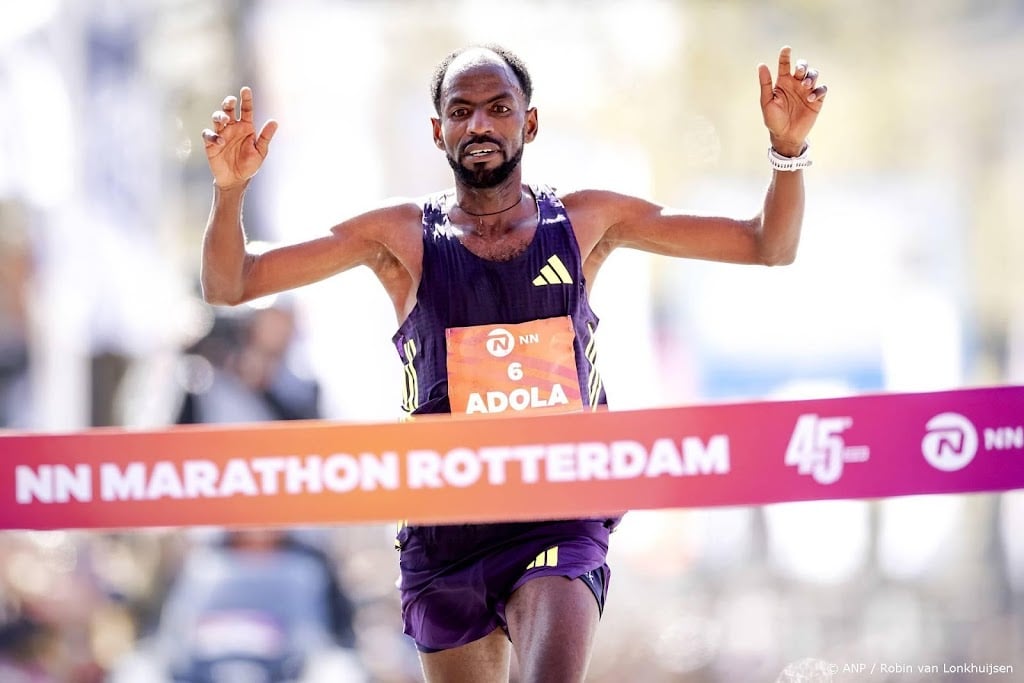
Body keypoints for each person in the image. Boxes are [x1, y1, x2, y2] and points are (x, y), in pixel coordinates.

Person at [200, 43, 827, 683]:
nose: (479, 125)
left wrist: (788, 154)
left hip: (561, 509)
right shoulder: (399, 238)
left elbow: (766, 244)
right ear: (438, 130)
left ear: (527, 123)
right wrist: (229, 192)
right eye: (461, 110)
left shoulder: (584, 221)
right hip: (445, 529)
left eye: (498, 108)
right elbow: (231, 284)